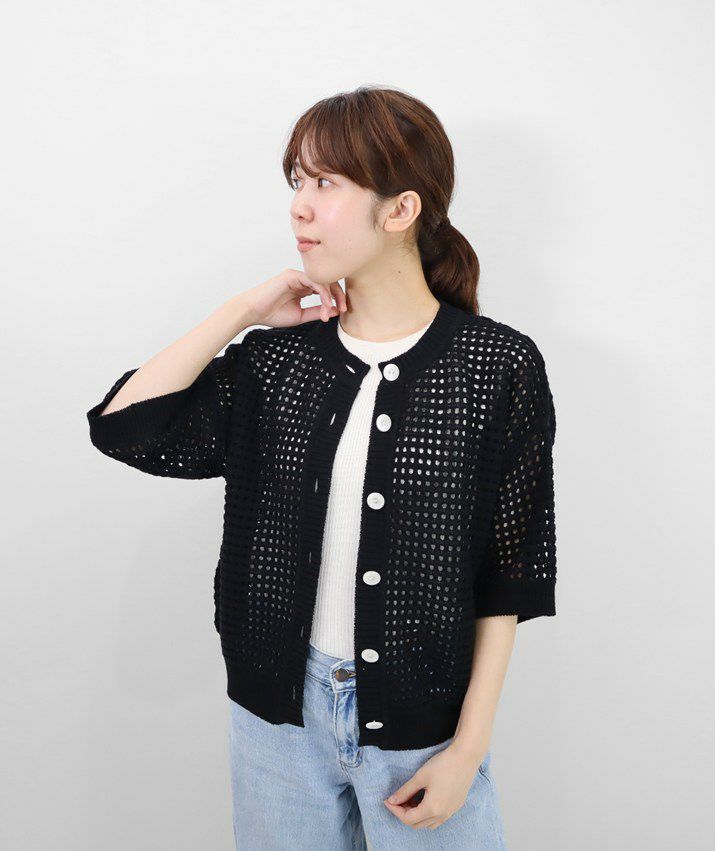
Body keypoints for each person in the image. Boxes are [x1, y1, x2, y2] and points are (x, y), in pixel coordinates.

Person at [86, 85, 557, 849]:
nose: (299, 206)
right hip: (277, 722)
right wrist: (241, 312)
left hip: (423, 725)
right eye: (296, 181)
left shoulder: (494, 366)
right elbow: (124, 427)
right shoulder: (278, 364)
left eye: (325, 182)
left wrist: (466, 751)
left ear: (399, 210)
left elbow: (507, 574)